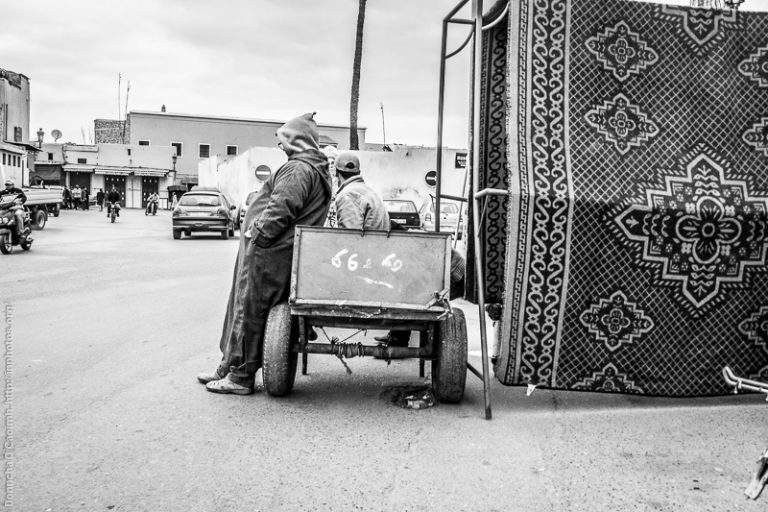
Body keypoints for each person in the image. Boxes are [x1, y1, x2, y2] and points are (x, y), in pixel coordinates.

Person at [198, 112, 333, 395]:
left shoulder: (298, 169)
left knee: (251, 312)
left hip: (269, 253)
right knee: (242, 307)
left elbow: (281, 208)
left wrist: (257, 234)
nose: (280, 146)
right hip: (275, 251)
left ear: (296, 140)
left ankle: (240, 376)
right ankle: (228, 365)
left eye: (284, 140)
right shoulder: (310, 168)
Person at [333, 152, 389, 231]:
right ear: (358, 172)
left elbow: (350, 235)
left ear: (336, 172)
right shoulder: (371, 192)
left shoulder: (347, 195)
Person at [320, 146, 339, 227]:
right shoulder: (321, 179)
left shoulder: (339, 180)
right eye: (329, 163)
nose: (331, 166)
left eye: (333, 163)